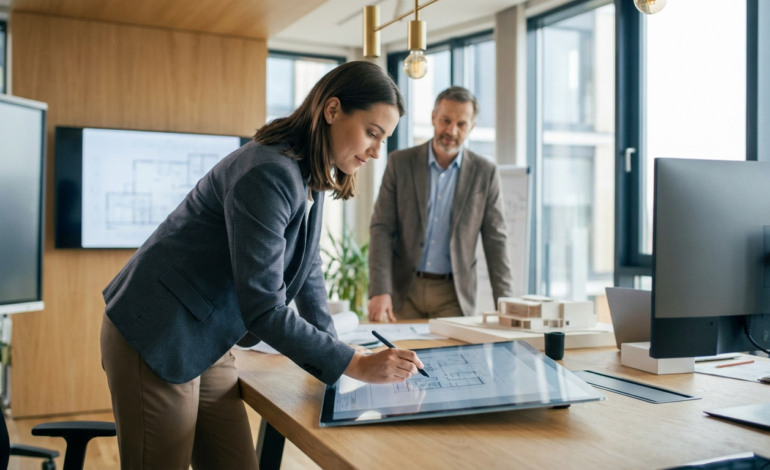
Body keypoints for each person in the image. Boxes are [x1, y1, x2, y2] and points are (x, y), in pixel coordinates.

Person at [100, 61, 424, 470]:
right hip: (159, 330)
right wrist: (354, 363)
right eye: (372, 133)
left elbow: (307, 267)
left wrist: (337, 357)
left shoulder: (309, 171)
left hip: (208, 336)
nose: (378, 150)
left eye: (385, 138)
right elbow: (264, 307)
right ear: (332, 110)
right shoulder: (270, 170)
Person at [368, 86, 514, 322]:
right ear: (433, 117)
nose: (451, 130)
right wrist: (379, 290)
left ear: (471, 127)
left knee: (451, 359)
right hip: (404, 290)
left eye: (461, 124)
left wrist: (506, 303)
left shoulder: (485, 173)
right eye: (445, 120)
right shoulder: (400, 163)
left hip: (453, 295)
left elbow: (496, 240)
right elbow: (381, 229)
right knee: (398, 357)